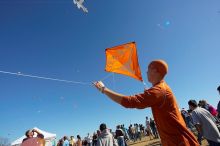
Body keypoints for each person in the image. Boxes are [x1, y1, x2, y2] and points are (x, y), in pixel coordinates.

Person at [94, 59, 199, 146]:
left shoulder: (159, 90)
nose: (146, 72)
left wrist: (104, 90)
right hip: (174, 140)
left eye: (148, 69)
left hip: (178, 141)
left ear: (156, 71)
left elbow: (130, 102)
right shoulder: (160, 89)